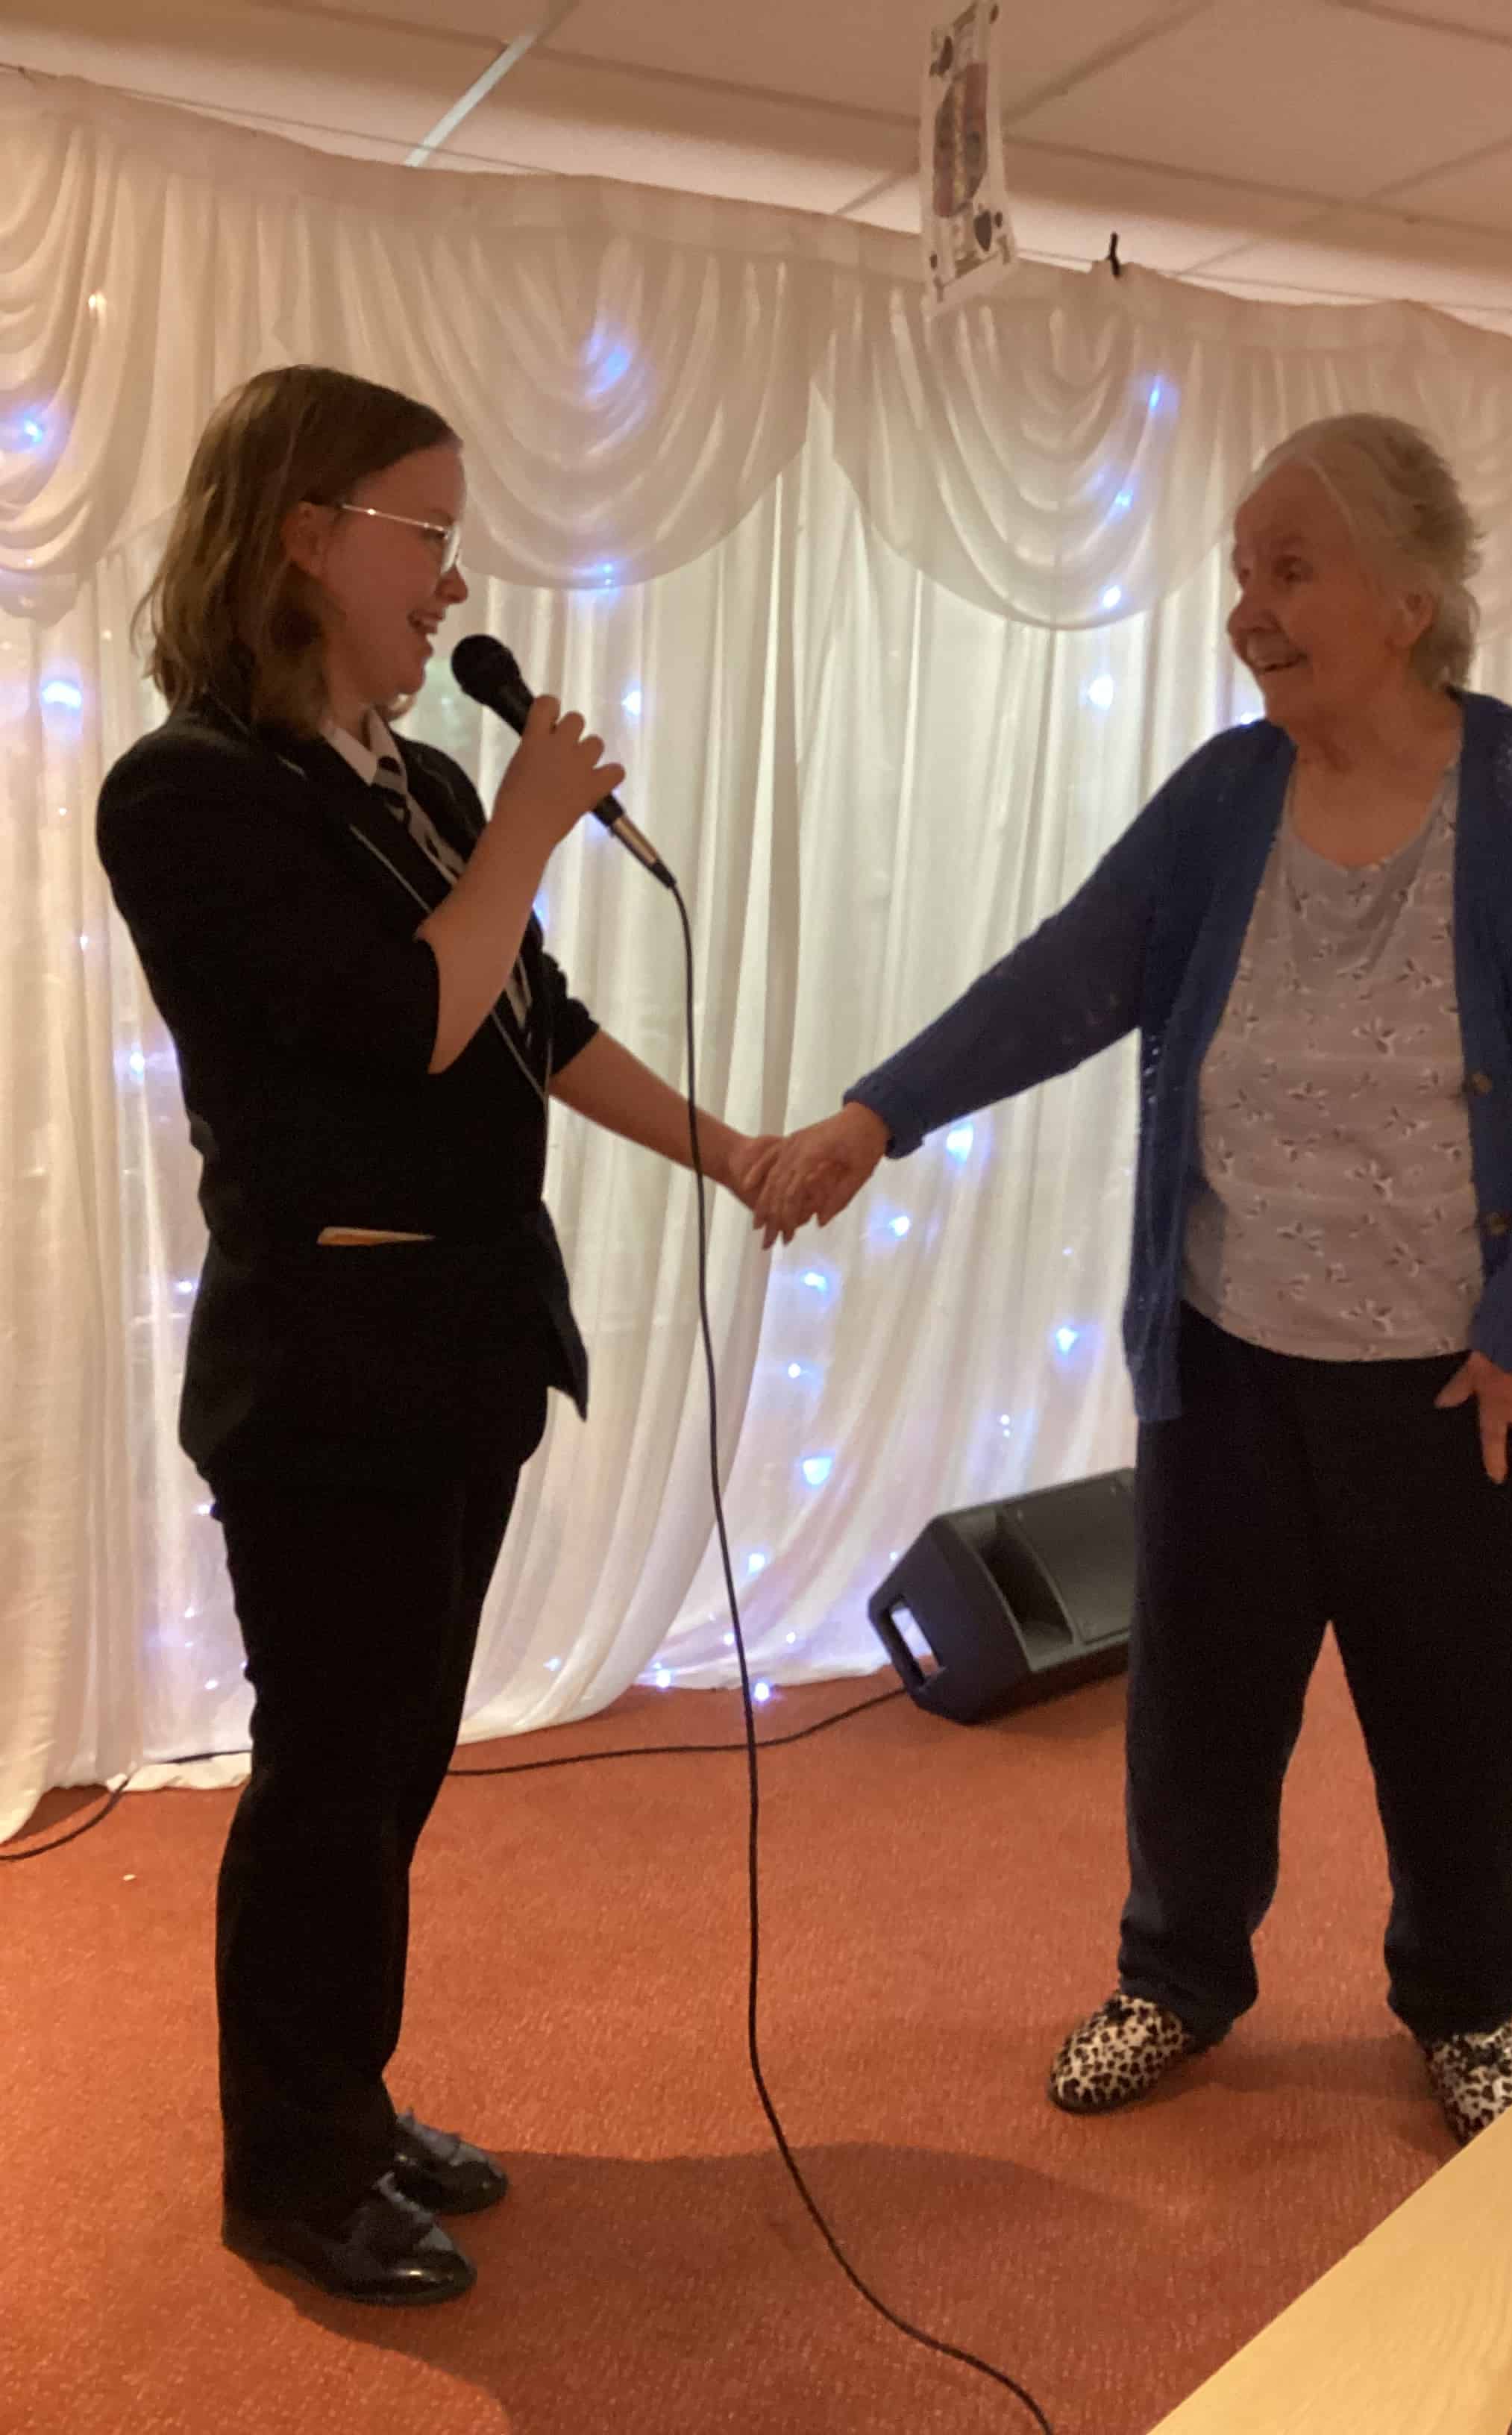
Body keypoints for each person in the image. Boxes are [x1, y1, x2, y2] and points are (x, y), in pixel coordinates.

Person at [748, 413, 1512, 2148]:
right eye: (1241, 573)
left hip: (1469, 1387)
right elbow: (1070, 974)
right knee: (1200, 1712)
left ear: (1410, 601)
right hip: (1235, 1365)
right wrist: (881, 1112)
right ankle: (1175, 1979)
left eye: (1290, 569)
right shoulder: (1225, 797)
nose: (1247, 607)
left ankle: (1468, 2008)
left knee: (1473, 1730)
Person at [97, 365, 774, 2304]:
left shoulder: (434, 786)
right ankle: (289, 2180)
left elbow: (523, 1023)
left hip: (466, 1347)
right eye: (425, 534)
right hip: (324, 1372)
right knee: (331, 1775)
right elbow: (405, 1013)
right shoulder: (191, 795)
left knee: (392, 1768)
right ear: (302, 535)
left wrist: (727, 1149)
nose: (454, 582)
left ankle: (347, 2102)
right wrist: (532, 838)